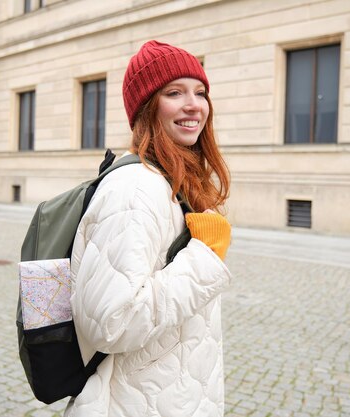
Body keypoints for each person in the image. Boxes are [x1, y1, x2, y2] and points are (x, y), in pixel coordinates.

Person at [66, 40, 233, 417]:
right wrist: (204, 259)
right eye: (175, 92)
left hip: (163, 397)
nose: (194, 104)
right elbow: (110, 323)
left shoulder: (171, 181)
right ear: (147, 108)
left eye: (200, 92)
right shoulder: (136, 189)